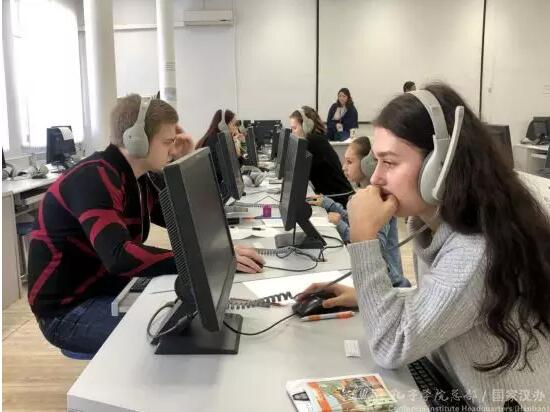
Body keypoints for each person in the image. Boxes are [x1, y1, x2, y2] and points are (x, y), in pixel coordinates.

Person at [299, 84, 550, 409]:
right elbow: (446, 303)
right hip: (452, 387)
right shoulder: (438, 223)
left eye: (389, 162)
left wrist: (363, 237)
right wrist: (366, 296)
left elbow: (390, 346)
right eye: (376, 161)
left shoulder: (476, 250)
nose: (375, 178)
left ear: (439, 166)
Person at [27, 95, 264, 355]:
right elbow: (119, 256)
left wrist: (185, 162)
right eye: (168, 142)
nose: (172, 149)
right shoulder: (93, 178)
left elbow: (183, 219)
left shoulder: (137, 178)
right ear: (136, 140)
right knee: (169, 338)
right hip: (67, 311)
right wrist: (201, 261)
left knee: (186, 325)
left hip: (108, 289)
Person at [307, 136, 409, 287]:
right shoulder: (366, 193)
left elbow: (375, 245)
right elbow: (355, 220)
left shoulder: (381, 200)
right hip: (375, 275)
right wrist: (329, 204)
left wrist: (340, 225)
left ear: (368, 164)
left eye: (349, 162)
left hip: (389, 282)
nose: (343, 167)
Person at [289, 106, 354, 207]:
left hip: (339, 199)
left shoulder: (313, 141)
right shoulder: (316, 139)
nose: (292, 133)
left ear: (306, 126)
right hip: (333, 196)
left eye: (294, 128)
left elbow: (298, 172)